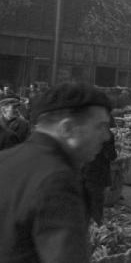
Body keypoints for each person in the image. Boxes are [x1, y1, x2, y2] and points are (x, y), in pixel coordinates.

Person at [0, 82, 112, 262]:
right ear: (67, 128)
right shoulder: (57, 180)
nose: (106, 136)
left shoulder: (5, 159)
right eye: (100, 126)